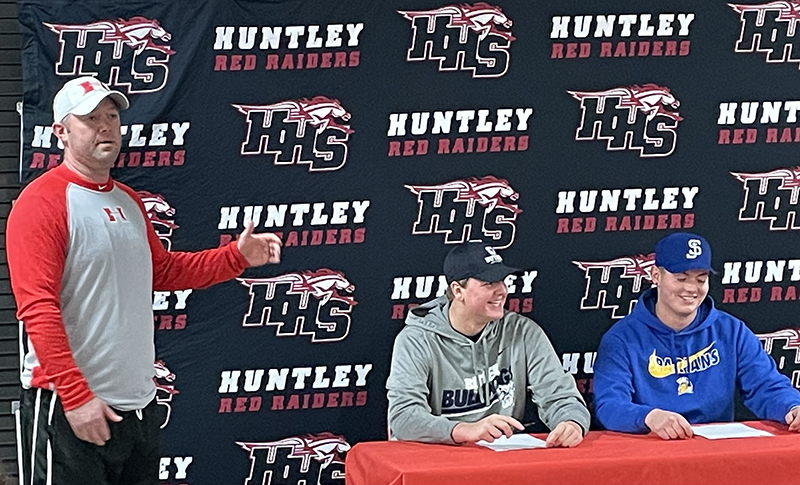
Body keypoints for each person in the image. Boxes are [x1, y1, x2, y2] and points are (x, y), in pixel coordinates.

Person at [6, 76, 283, 485]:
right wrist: (76, 396)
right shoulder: (40, 203)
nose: (105, 126)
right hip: (68, 409)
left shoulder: (129, 201)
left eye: (112, 116)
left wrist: (235, 257)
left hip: (137, 410)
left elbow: (163, 272)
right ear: (60, 132)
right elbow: (38, 309)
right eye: (90, 118)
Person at [594, 232, 800, 440]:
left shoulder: (731, 330)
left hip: (715, 452)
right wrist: (649, 417)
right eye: (681, 278)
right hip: (653, 449)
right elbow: (609, 405)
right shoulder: (622, 339)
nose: (691, 288)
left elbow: (766, 385)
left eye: (701, 279)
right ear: (656, 276)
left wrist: (792, 407)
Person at [386, 242, 590, 446]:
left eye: (502, 280)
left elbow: (560, 396)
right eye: (489, 283)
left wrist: (571, 422)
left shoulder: (523, 332)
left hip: (500, 459)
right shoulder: (416, 339)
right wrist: (465, 430)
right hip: (435, 459)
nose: (502, 290)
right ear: (458, 290)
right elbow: (404, 416)